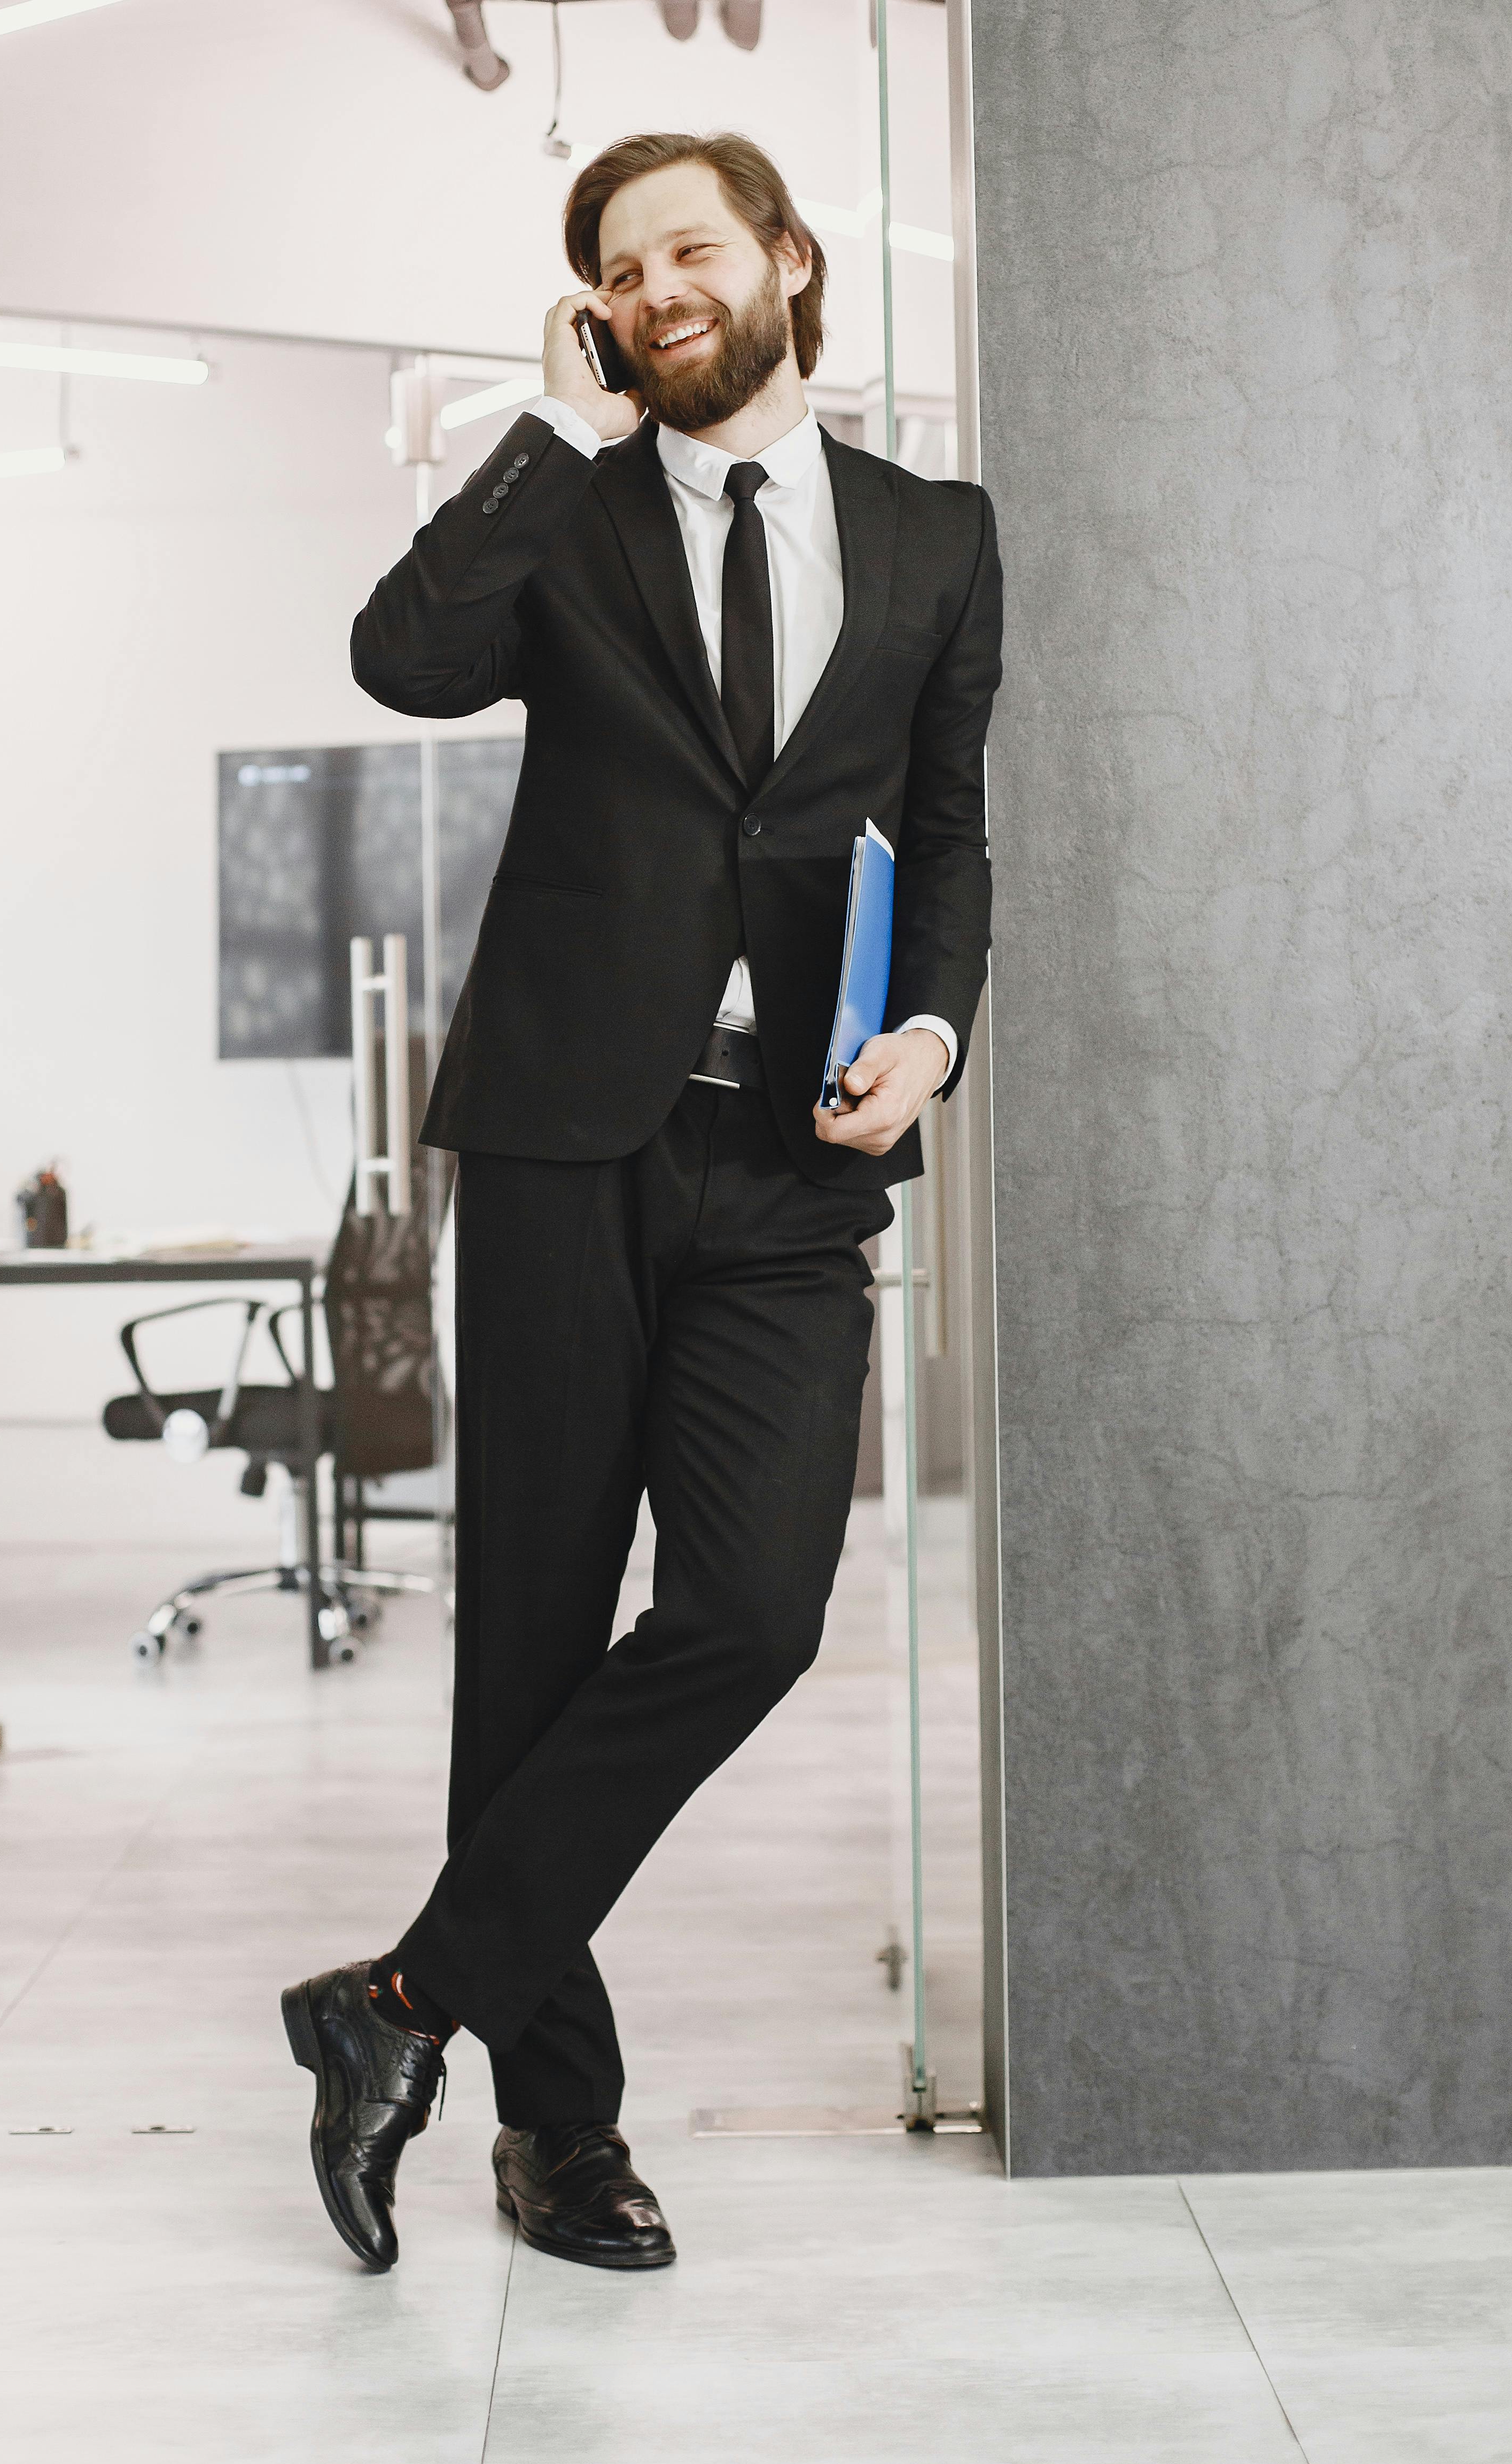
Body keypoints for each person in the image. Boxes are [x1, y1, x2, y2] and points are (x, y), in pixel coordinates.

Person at [282, 129, 1002, 2274]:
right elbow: (400, 661)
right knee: (526, 1638)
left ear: (784, 260)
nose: (658, 282)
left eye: (691, 245)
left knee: (753, 1610)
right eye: (617, 266)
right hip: (558, 1140)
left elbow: (946, 834)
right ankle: (554, 2138)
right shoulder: (571, 511)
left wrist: (939, 1032)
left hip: (793, 1158)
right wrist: (535, 423)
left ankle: (400, 2003)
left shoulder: (936, 536)